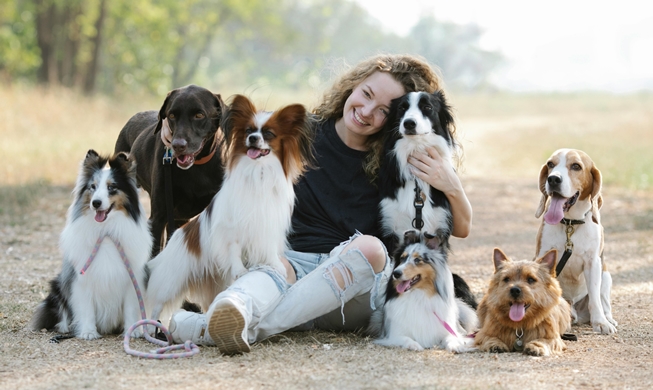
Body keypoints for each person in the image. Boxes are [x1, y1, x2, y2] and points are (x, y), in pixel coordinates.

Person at [161, 54, 473, 354]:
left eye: (382, 110)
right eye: (365, 94)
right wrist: (166, 128)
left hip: (352, 287)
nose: (366, 110)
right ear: (353, 85)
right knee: (271, 265)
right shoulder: (298, 133)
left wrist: (452, 184)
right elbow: (230, 124)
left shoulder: (396, 162)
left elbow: (460, 227)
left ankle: (208, 327)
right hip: (288, 268)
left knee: (371, 249)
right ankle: (235, 311)